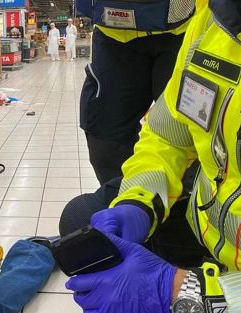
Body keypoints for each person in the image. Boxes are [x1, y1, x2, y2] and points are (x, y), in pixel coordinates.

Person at [63, 1, 241, 313]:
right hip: (211, 240)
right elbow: (167, 134)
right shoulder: (220, 21)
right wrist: (140, 201)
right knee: (83, 218)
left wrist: (186, 293)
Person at [77, 0, 199, 185]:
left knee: (192, 131)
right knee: (105, 141)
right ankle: (123, 201)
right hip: (113, 33)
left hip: (185, 28)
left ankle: (184, 207)